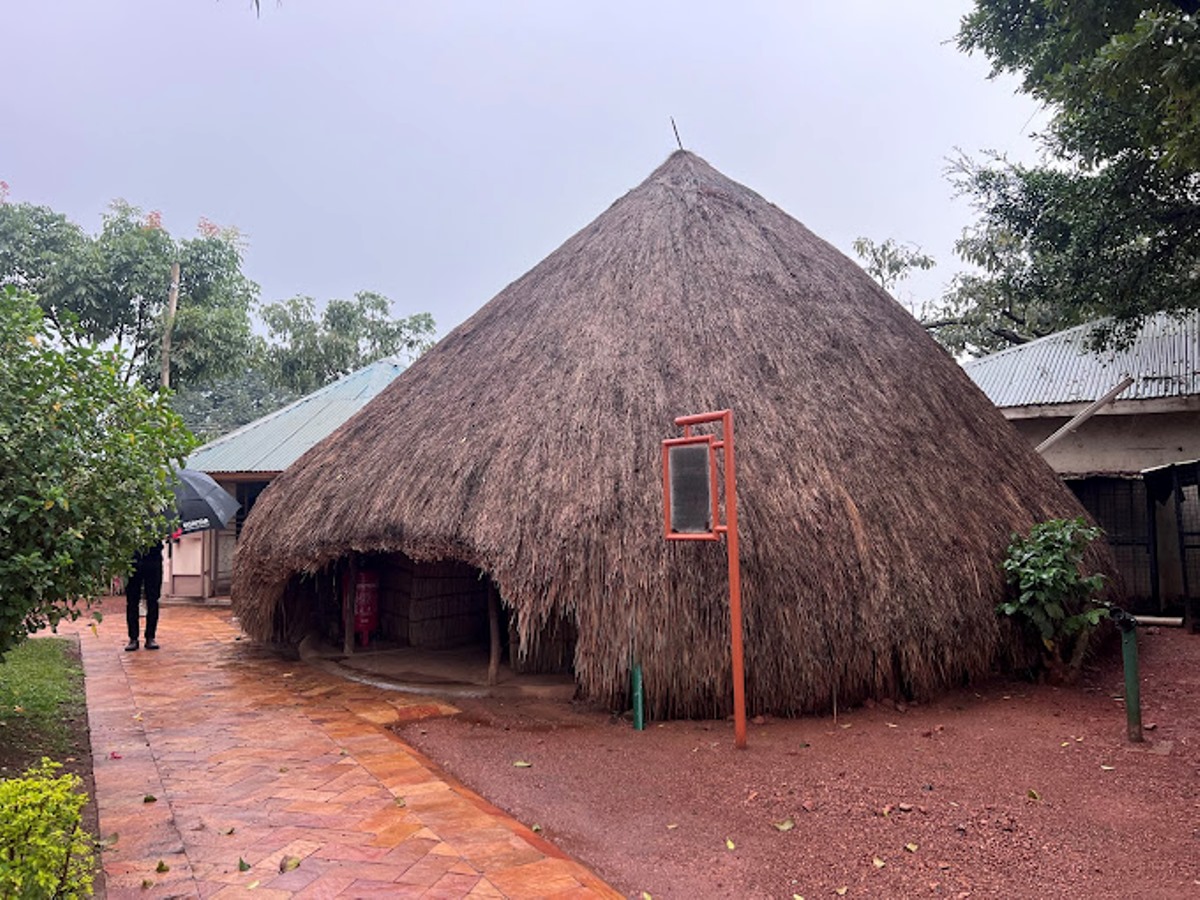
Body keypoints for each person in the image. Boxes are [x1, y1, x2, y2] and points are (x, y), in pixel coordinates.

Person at [125, 543, 163, 651]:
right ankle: (133, 638)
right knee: (132, 600)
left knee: (153, 599)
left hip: (153, 557)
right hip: (133, 558)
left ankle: (150, 636)